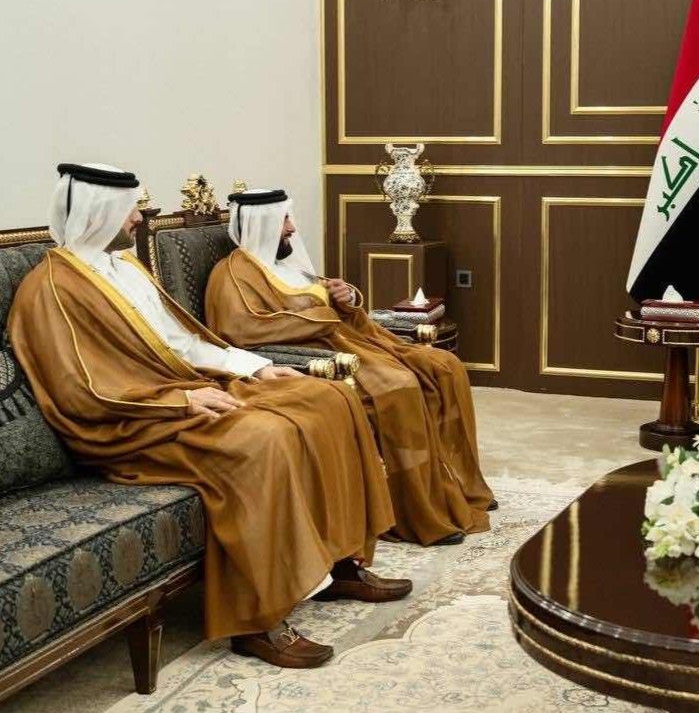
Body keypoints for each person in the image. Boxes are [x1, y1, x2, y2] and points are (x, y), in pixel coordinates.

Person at [8, 164, 412, 669]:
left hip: (178, 392)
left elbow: (181, 343)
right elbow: (78, 390)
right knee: (261, 439)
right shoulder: (51, 288)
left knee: (329, 400)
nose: (139, 219)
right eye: (130, 209)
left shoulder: (125, 269)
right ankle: (257, 622)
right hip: (126, 424)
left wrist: (254, 367)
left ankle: (340, 563)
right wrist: (182, 402)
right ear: (99, 212)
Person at [204, 188, 494, 546]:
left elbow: (332, 304)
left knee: (444, 365)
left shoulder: (284, 267)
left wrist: (345, 297)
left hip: (352, 341)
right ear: (260, 224)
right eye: (284, 220)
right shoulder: (232, 274)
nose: (292, 228)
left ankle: (457, 487)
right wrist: (324, 312)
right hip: (314, 354)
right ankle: (411, 509)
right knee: (399, 386)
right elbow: (239, 329)